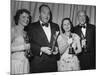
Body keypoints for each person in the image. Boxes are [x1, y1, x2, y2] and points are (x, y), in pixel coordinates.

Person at [27, 4, 60, 73]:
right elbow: (29, 44)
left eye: (48, 13)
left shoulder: (56, 26)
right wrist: (41, 49)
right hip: (38, 65)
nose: (46, 15)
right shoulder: (31, 27)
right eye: (44, 13)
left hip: (52, 65)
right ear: (39, 14)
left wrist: (57, 49)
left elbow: (57, 42)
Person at [11, 9, 31, 74]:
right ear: (18, 18)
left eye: (28, 17)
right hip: (15, 63)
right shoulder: (13, 30)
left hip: (25, 63)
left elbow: (27, 48)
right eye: (23, 17)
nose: (26, 19)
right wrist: (23, 47)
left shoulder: (26, 32)